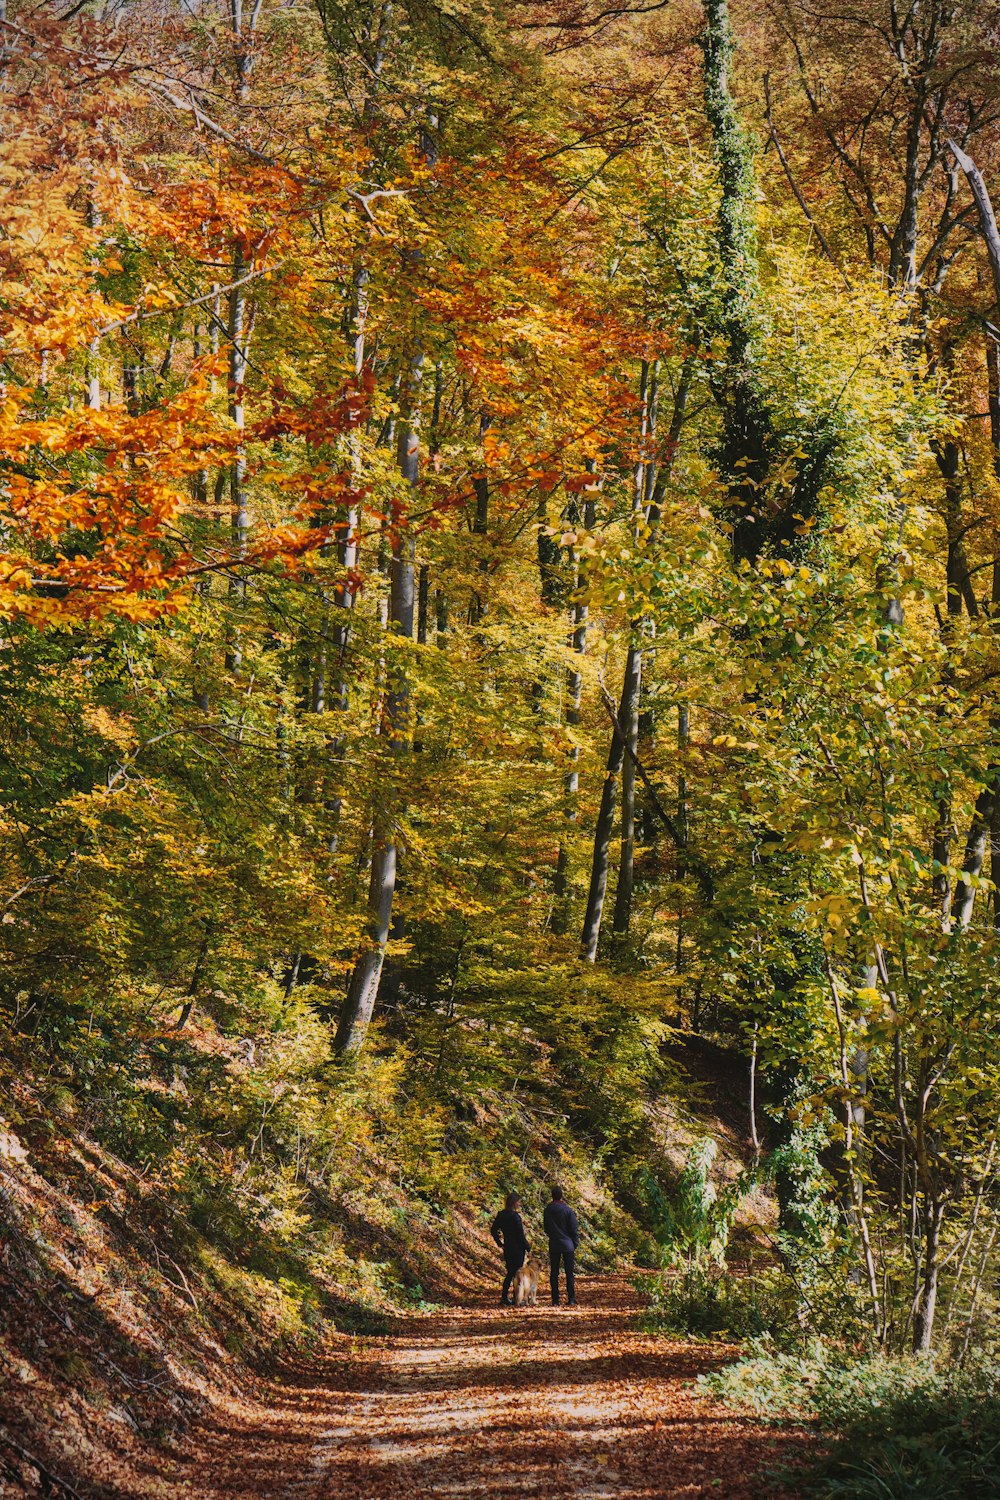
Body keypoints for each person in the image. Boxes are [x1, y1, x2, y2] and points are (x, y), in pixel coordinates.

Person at [490, 1191, 530, 1306]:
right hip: (517, 1248)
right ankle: (517, 1298)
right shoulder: (515, 1217)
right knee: (517, 1274)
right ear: (513, 1203)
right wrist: (527, 1247)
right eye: (518, 1202)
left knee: (510, 1273)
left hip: (508, 1247)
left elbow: (493, 1230)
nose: (519, 1204)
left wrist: (500, 1243)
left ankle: (505, 1297)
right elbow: (520, 1235)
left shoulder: (501, 1215)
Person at [543, 1184, 579, 1306]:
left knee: (554, 1272)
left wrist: (553, 1235)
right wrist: (575, 1243)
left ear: (552, 1196)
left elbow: (546, 1228)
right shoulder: (568, 1210)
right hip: (568, 1244)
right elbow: (574, 1228)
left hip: (554, 1243)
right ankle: (571, 1298)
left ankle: (555, 1299)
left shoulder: (548, 1210)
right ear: (561, 1196)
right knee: (569, 1272)